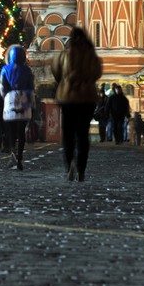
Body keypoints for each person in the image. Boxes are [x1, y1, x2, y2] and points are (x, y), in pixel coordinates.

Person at [51, 27, 103, 181]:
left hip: (67, 98)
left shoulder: (64, 54)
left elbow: (56, 72)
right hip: (87, 98)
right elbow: (97, 73)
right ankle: (81, 169)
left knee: (68, 134)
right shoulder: (91, 55)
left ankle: (69, 165)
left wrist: (65, 82)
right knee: (82, 134)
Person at [0, 45, 35, 170]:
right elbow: (31, 86)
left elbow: (2, 87)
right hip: (24, 100)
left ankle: (12, 152)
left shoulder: (5, 69)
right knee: (21, 132)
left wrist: (6, 97)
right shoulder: (27, 70)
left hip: (10, 101)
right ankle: (20, 158)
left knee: (11, 131)